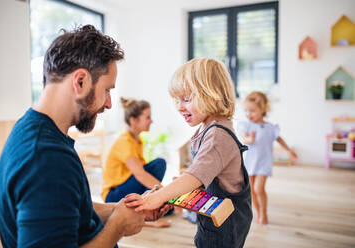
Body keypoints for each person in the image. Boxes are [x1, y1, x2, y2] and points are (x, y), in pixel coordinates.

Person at [0, 25, 169, 248]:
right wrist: (117, 228)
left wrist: (119, 209)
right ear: (80, 82)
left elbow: (71, 207)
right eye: (107, 90)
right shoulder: (46, 159)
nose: (109, 103)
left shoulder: (32, 129)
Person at [124, 58, 253, 248]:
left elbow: (196, 175)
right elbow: (204, 175)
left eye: (186, 99)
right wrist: (181, 190)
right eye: (177, 100)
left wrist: (157, 197)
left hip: (225, 224)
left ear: (213, 95)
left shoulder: (217, 135)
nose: (179, 107)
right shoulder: (208, 129)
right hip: (214, 218)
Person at [101, 97, 171, 227]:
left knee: (158, 167)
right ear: (133, 120)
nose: (151, 121)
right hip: (113, 195)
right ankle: (144, 215)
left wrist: (164, 196)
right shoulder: (124, 142)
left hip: (127, 187)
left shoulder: (137, 140)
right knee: (158, 164)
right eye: (148, 117)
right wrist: (167, 194)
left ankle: (150, 208)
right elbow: (141, 175)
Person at [237, 91, 298, 225]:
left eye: (252, 110)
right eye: (246, 111)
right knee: (251, 191)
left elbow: (279, 139)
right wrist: (249, 139)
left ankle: (263, 213)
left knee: (259, 189)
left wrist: (289, 151)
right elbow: (244, 137)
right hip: (249, 163)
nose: (249, 114)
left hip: (263, 163)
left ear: (263, 109)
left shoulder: (270, 128)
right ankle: (258, 212)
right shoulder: (246, 125)